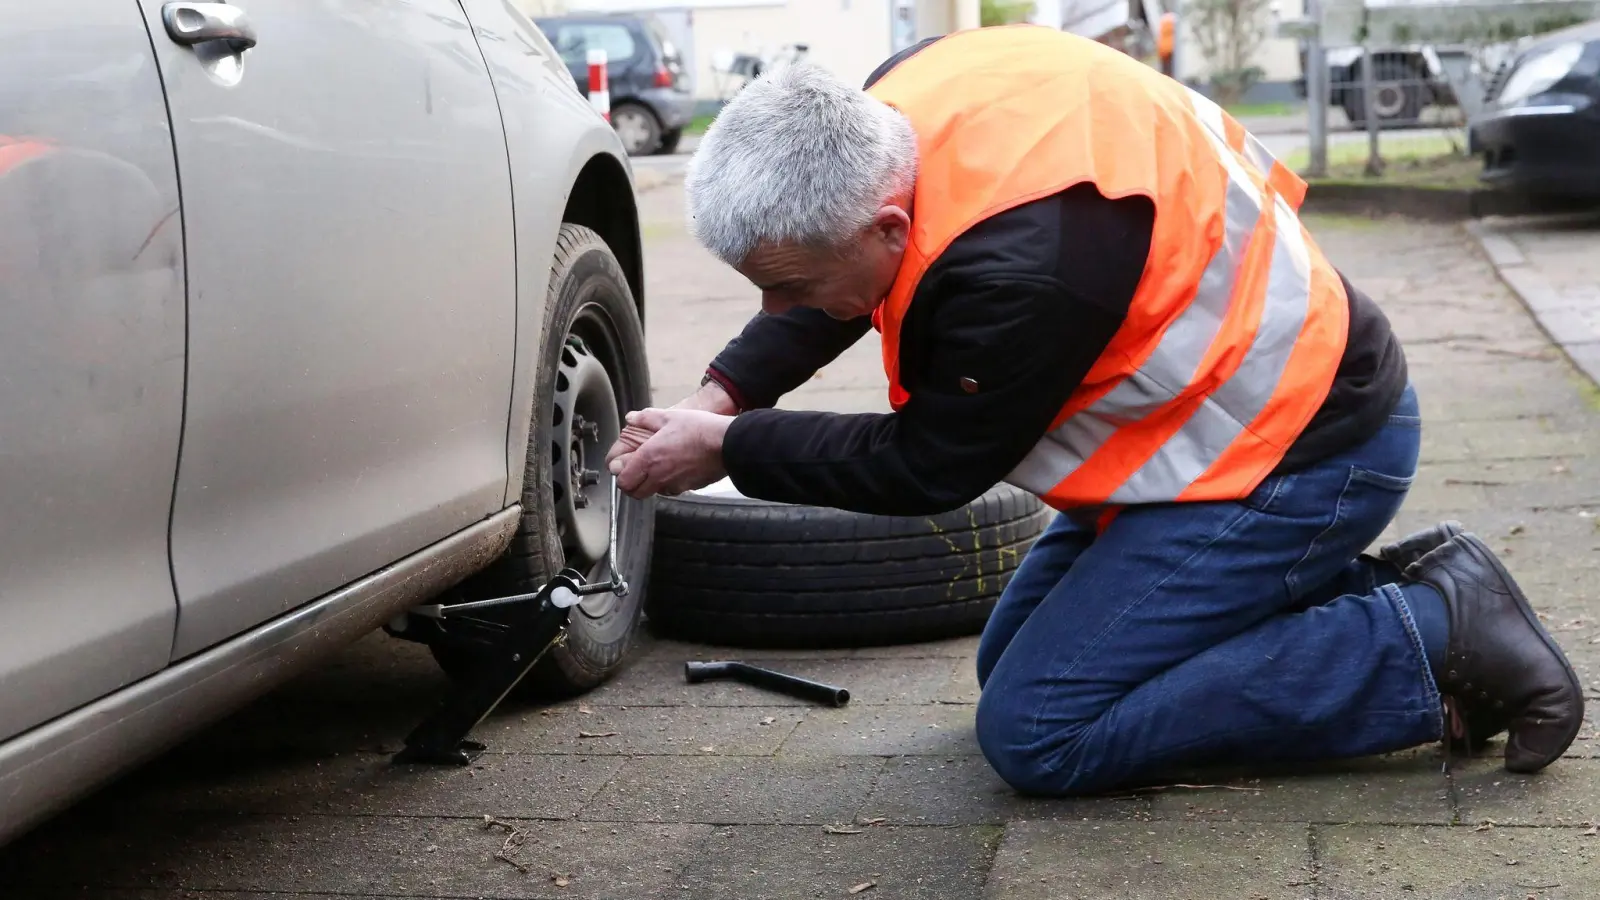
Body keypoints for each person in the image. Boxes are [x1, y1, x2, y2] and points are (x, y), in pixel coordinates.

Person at [603, 25, 1583, 796]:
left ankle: (1425, 639)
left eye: (794, 288)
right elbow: (833, 280)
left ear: (888, 222)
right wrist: (720, 391)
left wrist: (727, 446)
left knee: (1039, 731)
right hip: (1219, 433)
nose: (782, 314)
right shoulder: (890, 111)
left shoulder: (1022, 269)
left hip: (1298, 455)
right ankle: (1385, 594)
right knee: (1011, 663)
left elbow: (929, 466)